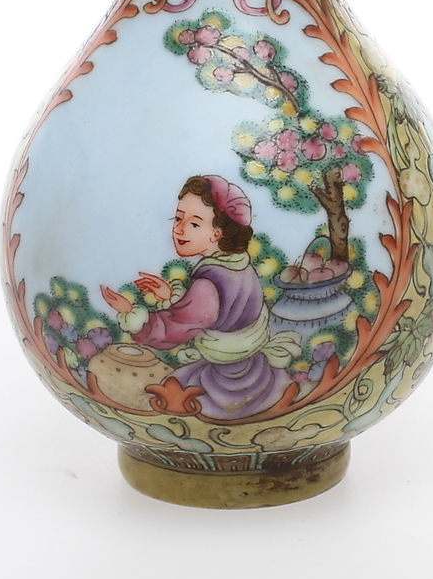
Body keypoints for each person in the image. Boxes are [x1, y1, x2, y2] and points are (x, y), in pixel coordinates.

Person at [100, 175, 301, 420]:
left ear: (217, 233)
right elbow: (209, 312)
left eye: (194, 224)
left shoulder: (209, 283)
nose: (179, 229)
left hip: (226, 383)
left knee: (169, 394)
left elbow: (174, 328)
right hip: (255, 368)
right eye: (178, 218)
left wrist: (131, 314)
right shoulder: (237, 265)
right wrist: (169, 296)